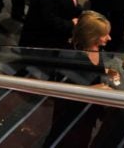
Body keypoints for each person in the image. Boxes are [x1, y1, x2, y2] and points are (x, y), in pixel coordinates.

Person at [45, 11, 113, 147]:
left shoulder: (96, 49)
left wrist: (107, 72)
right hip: (71, 118)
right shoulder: (70, 58)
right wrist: (93, 90)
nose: (109, 38)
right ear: (92, 36)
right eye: (104, 35)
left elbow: (94, 70)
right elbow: (64, 95)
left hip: (87, 115)